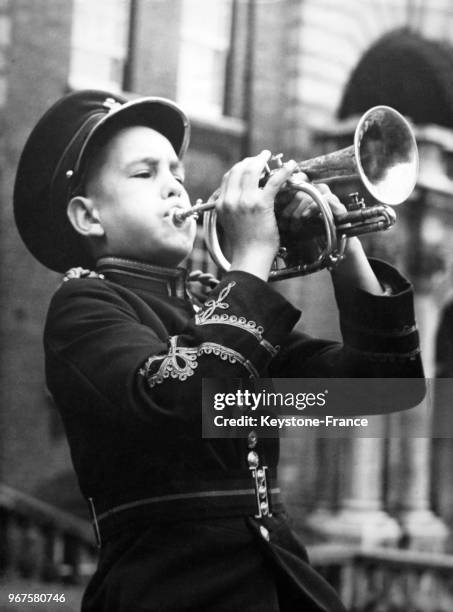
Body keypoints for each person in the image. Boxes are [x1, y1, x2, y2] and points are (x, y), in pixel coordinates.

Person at [14, 89, 424, 612]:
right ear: (88, 217)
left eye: (178, 173)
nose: (176, 189)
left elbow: (379, 391)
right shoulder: (84, 308)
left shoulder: (211, 304)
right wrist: (251, 258)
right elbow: (185, 404)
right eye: (145, 175)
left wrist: (339, 240)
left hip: (280, 585)